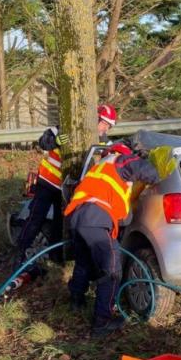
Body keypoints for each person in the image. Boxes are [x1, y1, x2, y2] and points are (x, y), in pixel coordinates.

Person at [14, 104, 118, 284]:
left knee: (59, 224)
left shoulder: (104, 142)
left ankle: (56, 259)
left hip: (68, 189)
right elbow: (43, 141)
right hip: (48, 182)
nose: (106, 128)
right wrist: (56, 142)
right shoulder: (65, 128)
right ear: (96, 118)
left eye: (109, 125)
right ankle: (19, 255)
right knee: (35, 219)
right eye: (105, 123)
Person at [64, 142, 159, 337]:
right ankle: (102, 322)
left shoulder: (98, 169)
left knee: (83, 262)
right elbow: (148, 172)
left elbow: (123, 216)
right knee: (112, 269)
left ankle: (76, 300)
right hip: (96, 219)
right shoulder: (119, 160)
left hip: (77, 218)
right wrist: (147, 164)